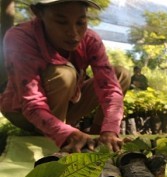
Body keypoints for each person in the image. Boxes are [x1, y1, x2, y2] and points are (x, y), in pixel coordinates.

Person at [0, 0, 130, 153]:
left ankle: (98, 141)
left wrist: (109, 131)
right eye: (61, 22)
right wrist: (64, 133)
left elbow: (109, 88)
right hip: (23, 111)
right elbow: (32, 103)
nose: (73, 34)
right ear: (37, 13)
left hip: (67, 105)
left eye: (81, 23)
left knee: (121, 74)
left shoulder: (90, 39)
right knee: (64, 74)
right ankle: (61, 140)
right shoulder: (20, 37)